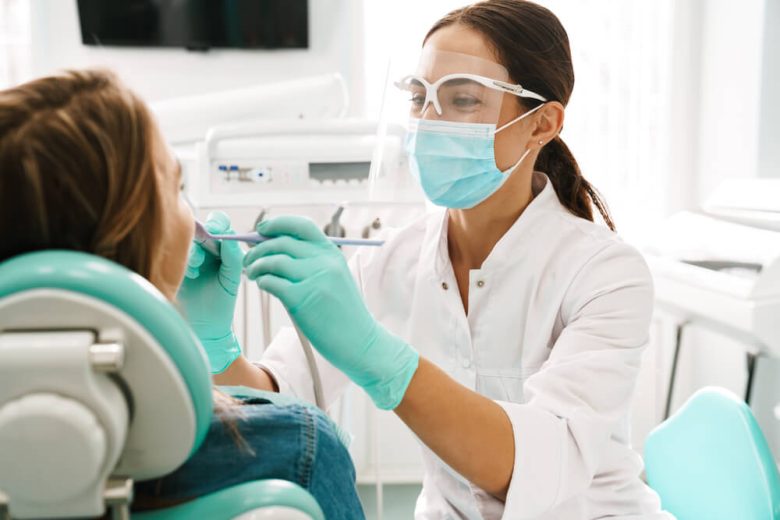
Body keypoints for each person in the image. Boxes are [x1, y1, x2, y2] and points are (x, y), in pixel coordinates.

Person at [203, 1, 674, 518]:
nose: (429, 122)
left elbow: (534, 464)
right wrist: (214, 346)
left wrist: (379, 359)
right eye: (418, 97)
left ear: (542, 124)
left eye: (463, 99)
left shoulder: (606, 275)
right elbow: (277, 403)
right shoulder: (391, 261)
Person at [0, 69, 364, 519]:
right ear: (139, 234)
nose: (192, 219)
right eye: (177, 187)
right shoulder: (298, 452)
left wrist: (218, 353)